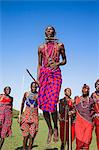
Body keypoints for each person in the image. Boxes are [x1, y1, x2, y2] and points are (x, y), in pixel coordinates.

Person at [37, 26, 67, 144]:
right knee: (43, 104)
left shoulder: (60, 46)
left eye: (51, 30)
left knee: (53, 101)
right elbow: (39, 64)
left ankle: (56, 127)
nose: (49, 31)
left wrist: (58, 63)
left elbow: (65, 60)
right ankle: (49, 128)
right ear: (45, 32)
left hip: (55, 75)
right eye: (47, 30)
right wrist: (38, 78)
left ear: (54, 32)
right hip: (44, 75)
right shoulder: (40, 47)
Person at [18, 82, 38, 150]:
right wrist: (20, 115)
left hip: (34, 116)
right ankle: (24, 148)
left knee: (32, 136)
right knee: (25, 136)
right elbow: (22, 103)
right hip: (26, 115)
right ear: (30, 86)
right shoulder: (26, 94)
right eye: (33, 86)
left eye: (35, 87)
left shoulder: (39, 95)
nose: (34, 88)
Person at [74, 84, 94, 150]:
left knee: (86, 142)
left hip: (88, 123)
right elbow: (74, 109)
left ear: (88, 91)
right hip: (79, 123)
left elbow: (94, 111)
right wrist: (71, 112)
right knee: (79, 142)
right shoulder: (77, 99)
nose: (85, 90)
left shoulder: (91, 100)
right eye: (84, 88)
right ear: (82, 90)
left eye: (87, 89)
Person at [91, 79, 99, 150]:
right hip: (95, 119)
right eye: (97, 84)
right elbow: (90, 106)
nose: (98, 86)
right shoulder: (93, 95)